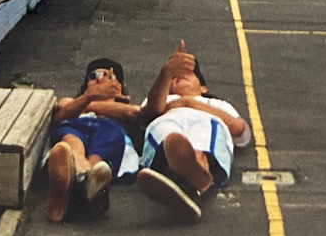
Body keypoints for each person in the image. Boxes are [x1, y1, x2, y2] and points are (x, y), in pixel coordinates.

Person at [135, 40, 251, 222]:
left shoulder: (216, 104)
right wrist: (165, 73)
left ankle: (189, 179)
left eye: (187, 73)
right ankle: (188, 184)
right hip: (168, 120)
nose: (179, 76)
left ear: (203, 88)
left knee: (202, 139)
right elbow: (150, 113)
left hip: (205, 121)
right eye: (174, 76)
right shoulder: (162, 98)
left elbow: (238, 129)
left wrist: (189, 102)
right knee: (169, 136)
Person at [44, 58, 141, 221]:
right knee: (70, 141)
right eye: (94, 75)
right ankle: (85, 185)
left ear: (119, 88)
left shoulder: (127, 109)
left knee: (104, 145)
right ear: (85, 86)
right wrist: (90, 96)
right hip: (76, 126)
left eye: (109, 77)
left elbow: (132, 113)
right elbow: (60, 114)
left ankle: (71, 188)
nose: (100, 79)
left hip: (110, 130)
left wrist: (91, 99)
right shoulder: (70, 102)